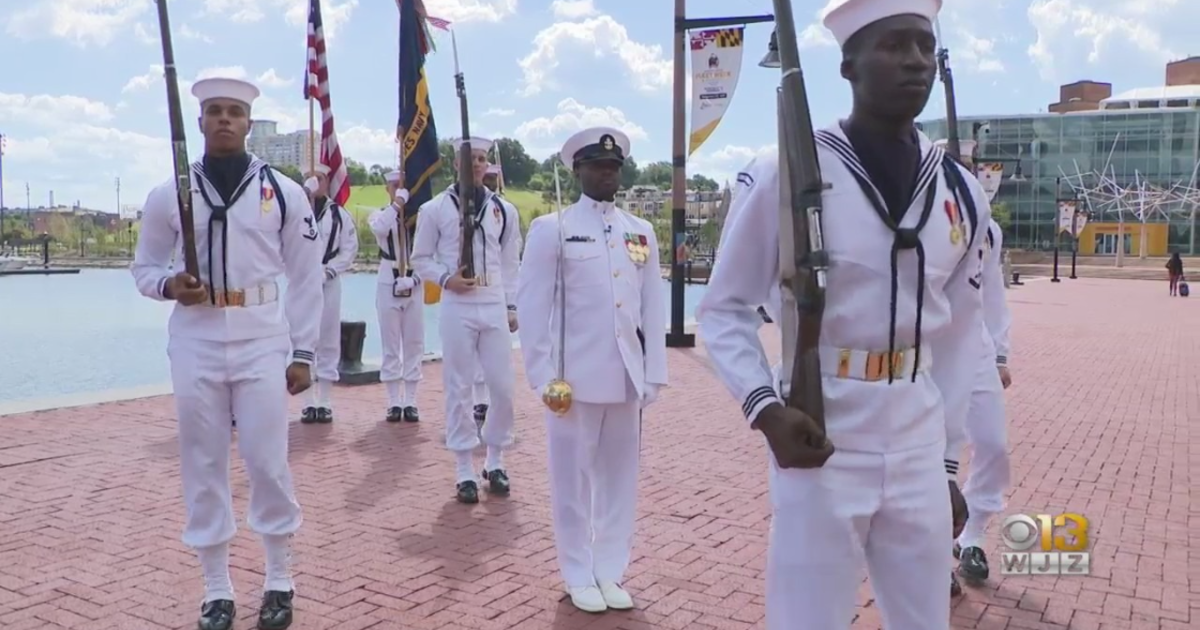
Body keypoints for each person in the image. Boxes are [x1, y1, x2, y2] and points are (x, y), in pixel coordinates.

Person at [695, 0, 987, 627]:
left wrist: (946, 462)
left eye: (924, 45)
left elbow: (962, 335)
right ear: (848, 64)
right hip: (821, 430)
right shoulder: (787, 171)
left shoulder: (962, 191)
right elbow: (722, 310)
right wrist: (764, 408)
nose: (915, 60)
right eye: (893, 45)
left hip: (917, 433)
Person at [131, 76, 322, 630]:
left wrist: (304, 351)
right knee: (204, 460)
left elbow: (306, 276)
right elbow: (144, 268)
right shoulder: (170, 193)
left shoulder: (283, 192)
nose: (223, 119)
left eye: (234, 112)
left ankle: (279, 578)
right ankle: (216, 586)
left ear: (248, 122)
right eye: (214, 111)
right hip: (196, 336)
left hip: (262, 335)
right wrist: (171, 286)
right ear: (199, 122)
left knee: (266, 460)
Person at [517, 127, 667, 613]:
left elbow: (651, 309)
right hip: (573, 380)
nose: (607, 174)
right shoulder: (552, 229)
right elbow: (533, 306)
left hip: (624, 376)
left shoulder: (639, 232)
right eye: (597, 167)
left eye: (613, 167)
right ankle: (578, 572)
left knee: (620, 481)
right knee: (572, 482)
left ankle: (610, 570)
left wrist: (653, 373)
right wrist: (542, 377)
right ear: (577, 171)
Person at [411, 137, 523, 504]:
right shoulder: (435, 209)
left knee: (502, 387)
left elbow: (510, 264)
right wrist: (446, 279)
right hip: (458, 301)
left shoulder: (502, 210)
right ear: (454, 162)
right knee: (458, 386)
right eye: (470, 158)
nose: (476, 164)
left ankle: (495, 458)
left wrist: (511, 306)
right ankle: (463, 468)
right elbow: (420, 258)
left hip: (491, 300)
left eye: (481, 159)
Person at [953, 217, 1013, 591]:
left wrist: (1001, 354)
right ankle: (931, 551)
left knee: (993, 445)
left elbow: (993, 291)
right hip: (925, 346)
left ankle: (970, 536)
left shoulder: (987, 227)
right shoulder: (911, 207)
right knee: (930, 453)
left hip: (976, 348)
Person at [299, 164, 358, 424]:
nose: (316, 183)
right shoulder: (296, 212)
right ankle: (306, 401)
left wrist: (331, 270)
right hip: (302, 280)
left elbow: (349, 249)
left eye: (320, 178)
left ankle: (324, 400)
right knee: (302, 337)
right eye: (311, 179)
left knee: (328, 337)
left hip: (328, 279)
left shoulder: (339, 215)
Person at [368, 170, 425, 423]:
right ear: (387, 189)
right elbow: (381, 227)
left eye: (402, 185)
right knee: (390, 344)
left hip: (414, 279)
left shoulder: (421, 219)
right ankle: (393, 402)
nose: (398, 188)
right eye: (393, 185)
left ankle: (410, 400)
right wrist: (398, 203)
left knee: (413, 343)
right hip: (387, 278)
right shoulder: (380, 215)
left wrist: (415, 279)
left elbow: (430, 255)